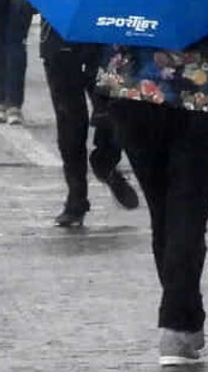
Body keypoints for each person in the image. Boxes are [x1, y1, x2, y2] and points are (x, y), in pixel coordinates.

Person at [97, 8, 208, 366]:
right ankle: (177, 323)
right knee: (188, 214)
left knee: (164, 213)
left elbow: (106, 38)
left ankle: (185, 319)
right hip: (201, 105)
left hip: (136, 103)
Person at [40, 18, 139, 227]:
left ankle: (105, 163)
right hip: (60, 46)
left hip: (107, 44)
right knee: (71, 125)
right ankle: (76, 198)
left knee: (113, 114)